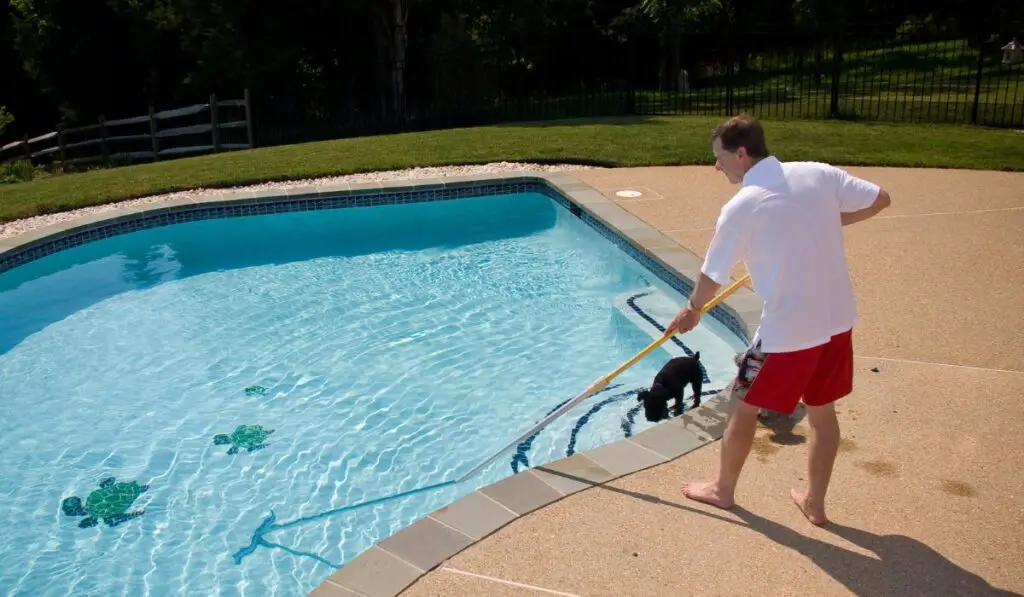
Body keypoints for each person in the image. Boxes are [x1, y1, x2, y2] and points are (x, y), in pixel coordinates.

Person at [667, 114, 891, 525]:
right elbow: (880, 199)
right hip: (837, 320)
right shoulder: (817, 174)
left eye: (719, 158)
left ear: (741, 154)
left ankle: (722, 490)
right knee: (823, 414)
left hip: (787, 332)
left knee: (742, 405)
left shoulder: (741, 206)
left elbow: (711, 277)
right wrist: (827, 220)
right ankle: (815, 503)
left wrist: (693, 311)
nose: (716, 167)